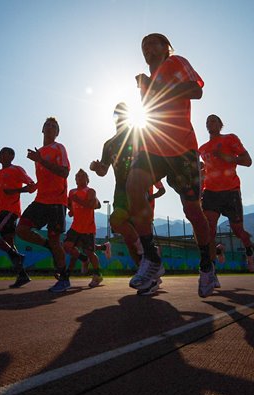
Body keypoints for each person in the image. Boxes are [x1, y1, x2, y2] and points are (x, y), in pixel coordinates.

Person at [126, 33, 216, 298]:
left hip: (182, 148)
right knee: (133, 186)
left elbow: (196, 90)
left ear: (166, 48)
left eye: (153, 43)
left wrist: (154, 89)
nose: (147, 49)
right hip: (153, 145)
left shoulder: (175, 62)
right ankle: (152, 259)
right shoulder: (146, 80)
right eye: (143, 46)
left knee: (192, 211)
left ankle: (206, 263)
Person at [90, 102, 161, 295]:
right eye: (117, 114)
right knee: (127, 237)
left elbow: (153, 158)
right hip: (119, 190)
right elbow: (104, 171)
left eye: (123, 113)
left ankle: (150, 259)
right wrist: (97, 168)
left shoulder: (138, 133)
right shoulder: (109, 144)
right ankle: (148, 273)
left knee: (122, 223)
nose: (120, 116)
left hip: (137, 186)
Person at [16, 117, 71, 293]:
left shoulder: (59, 148)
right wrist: (32, 186)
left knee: (56, 240)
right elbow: (45, 178)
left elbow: (64, 172)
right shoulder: (38, 152)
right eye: (47, 125)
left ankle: (64, 278)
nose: (50, 127)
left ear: (57, 132)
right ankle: (48, 245)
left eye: (54, 126)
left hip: (57, 201)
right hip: (40, 200)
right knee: (21, 229)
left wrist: (41, 160)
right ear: (42, 129)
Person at [199, 114, 254, 278]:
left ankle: (249, 251)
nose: (211, 123)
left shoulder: (230, 139)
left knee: (238, 231)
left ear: (220, 124)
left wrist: (227, 157)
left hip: (231, 191)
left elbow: (248, 161)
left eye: (214, 120)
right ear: (206, 126)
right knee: (208, 231)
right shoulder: (202, 149)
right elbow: (199, 167)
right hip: (210, 192)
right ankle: (211, 271)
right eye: (208, 121)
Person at [0, 147, 36, 288]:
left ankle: (17, 257)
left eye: (3, 153)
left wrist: (16, 190)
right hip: (3, 211)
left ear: (11, 156)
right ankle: (22, 275)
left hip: (10, 211)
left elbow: (32, 187)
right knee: (9, 244)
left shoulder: (17, 170)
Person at [64, 169, 103, 288]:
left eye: (82, 176)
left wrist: (78, 201)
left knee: (90, 252)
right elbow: (70, 205)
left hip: (88, 228)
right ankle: (83, 259)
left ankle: (97, 275)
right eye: (77, 177)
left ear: (87, 179)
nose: (80, 178)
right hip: (75, 226)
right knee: (66, 246)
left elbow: (91, 205)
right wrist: (71, 211)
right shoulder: (71, 192)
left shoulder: (90, 191)